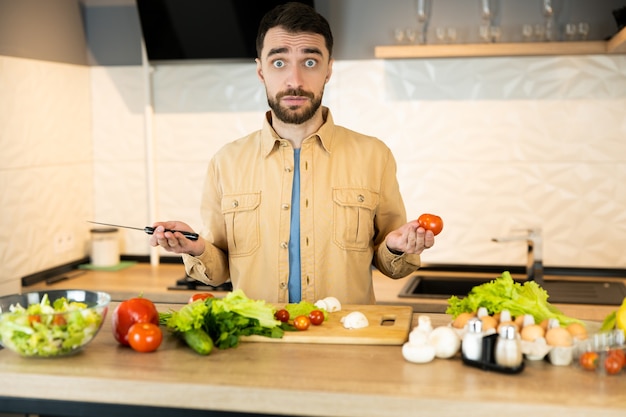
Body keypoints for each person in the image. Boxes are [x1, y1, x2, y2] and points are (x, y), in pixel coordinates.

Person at [149, 2, 436, 304]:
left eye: (310, 62)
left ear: (328, 70)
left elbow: (392, 265)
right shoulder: (226, 162)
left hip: (345, 339)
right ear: (261, 70)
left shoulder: (374, 156)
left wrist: (396, 246)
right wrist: (194, 247)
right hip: (259, 340)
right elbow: (219, 270)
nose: (295, 81)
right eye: (279, 63)